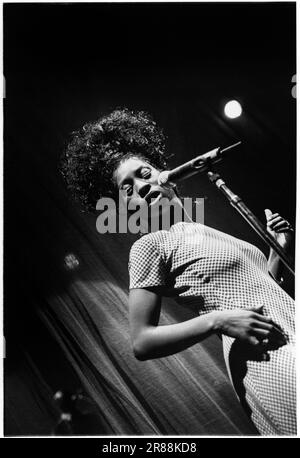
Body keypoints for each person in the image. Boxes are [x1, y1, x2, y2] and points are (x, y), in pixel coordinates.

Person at [60, 108, 296, 436]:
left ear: (166, 175)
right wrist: (218, 320)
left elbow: (263, 290)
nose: (140, 186)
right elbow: (142, 342)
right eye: (126, 188)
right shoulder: (150, 246)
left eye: (144, 173)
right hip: (267, 356)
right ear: (124, 207)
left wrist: (275, 248)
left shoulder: (206, 232)